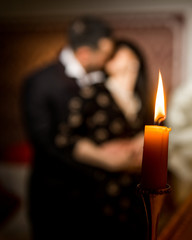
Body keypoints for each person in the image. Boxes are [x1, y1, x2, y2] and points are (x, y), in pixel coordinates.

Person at [22, 16, 114, 239]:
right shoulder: (40, 82)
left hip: (95, 195)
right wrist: (100, 159)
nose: (108, 60)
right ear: (84, 53)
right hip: (55, 195)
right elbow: (44, 142)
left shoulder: (104, 79)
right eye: (105, 55)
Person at [55, 40, 151, 239]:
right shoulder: (93, 93)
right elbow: (66, 138)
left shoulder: (143, 100)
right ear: (107, 63)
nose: (127, 64)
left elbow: (158, 134)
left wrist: (140, 145)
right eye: (118, 58)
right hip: (100, 191)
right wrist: (103, 157)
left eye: (132, 59)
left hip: (136, 192)